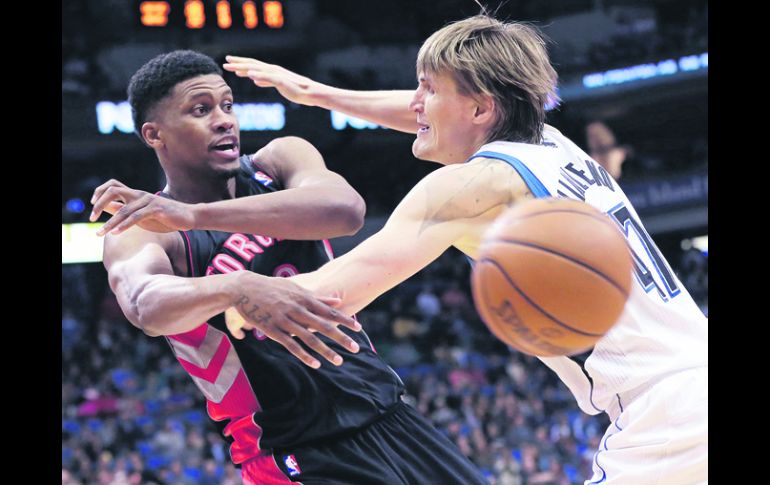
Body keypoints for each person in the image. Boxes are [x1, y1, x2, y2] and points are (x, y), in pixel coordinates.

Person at [224, 15, 708, 484]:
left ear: (480, 109)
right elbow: (435, 112)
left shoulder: (465, 187)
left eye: (428, 88)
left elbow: (329, 299)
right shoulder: (551, 141)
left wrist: (226, 290)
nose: (414, 103)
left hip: (667, 413)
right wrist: (315, 93)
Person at [93, 50, 489, 485]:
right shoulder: (146, 230)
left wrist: (197, 214)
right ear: (155, 134)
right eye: (200, 110)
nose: (224, 120)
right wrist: (236, 286)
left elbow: (344, 210)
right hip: (294, 453)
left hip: (390, 414)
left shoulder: (278, 161)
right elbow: (144, 304)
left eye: (227, 105)